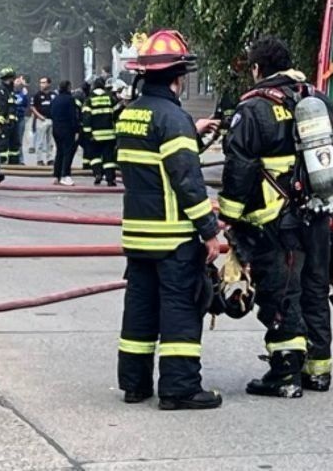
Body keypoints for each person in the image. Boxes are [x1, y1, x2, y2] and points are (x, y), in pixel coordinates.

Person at [218, 36, 333, 398]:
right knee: (315, 288)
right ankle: (318, 370)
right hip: (319, 216)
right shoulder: (317, 100)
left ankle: (285, 374)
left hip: (277, 221)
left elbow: (240, 166)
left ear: (259, 68)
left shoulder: (254, 108)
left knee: (282, 292)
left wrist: (230, 217)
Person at [115, 29, 223, 410]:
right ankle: (179, 389)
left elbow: (153, 158)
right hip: (172, 237)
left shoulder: (131, 115)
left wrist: (192, 131)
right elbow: (187, 182)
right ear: (178, 77)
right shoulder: (173, 119)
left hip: (139, 235)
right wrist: (209, 233)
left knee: (140, 308)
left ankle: (134, 384)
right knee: (180, 308)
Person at [82, 77, 118, 186]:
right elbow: (116, 116)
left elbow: (86, 118)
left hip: (95, 135)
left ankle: (98, 173)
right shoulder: (111, 98)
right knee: (109, 158)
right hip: (110, 134)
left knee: (95, 156)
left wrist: (88, 133)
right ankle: (110, 179)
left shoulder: (89, 100)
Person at [50, 80, 79, 186]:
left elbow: (51, 113)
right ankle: (65, 175)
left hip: (56, 129)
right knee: (68, 152)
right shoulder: (70, 100)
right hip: (67, 129)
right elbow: (73, 116)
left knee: (59, 152)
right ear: (68, 87)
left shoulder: (55, 99)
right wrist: (76, 130)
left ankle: (56, 176)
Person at [0, 67, 22, 166]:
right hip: (5, 122)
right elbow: (2, 107)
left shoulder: (10, 90)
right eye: (12, 78)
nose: (13, 80)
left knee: (15, 142)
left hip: (13, 122)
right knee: (3, 143)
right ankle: (3, 162)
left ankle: (14, 162)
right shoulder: (1, 91)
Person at [31, 76, 56, 166]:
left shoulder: (53, 95)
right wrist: (39, 116)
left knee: (50, 141)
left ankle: (50, 159)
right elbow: (33, 107)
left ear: (49, 84)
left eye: (44, 82)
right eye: (41, 82)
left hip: (51, 119)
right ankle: (39, 159)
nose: (42, 84)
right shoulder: (37, 95)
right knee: (40, 141)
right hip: (41, 120)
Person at [14, 76, 31, 159]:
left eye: (19, 81)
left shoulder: (23, 92)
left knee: (19, 140)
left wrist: (25, 86)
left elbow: (27, 103)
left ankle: (20, 159)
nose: (18, 83)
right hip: (11, 119)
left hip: (21, 118)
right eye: (16, 81)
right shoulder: (9, 92)